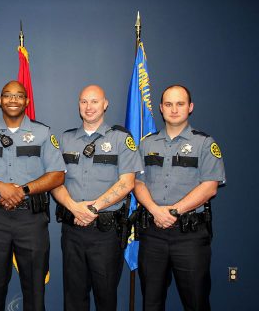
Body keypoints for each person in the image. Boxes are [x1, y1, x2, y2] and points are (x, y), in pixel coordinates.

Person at [0, 80, 65, 311]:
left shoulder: (42, 132)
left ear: (27, 101)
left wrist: (22, 190)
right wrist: (1, 186)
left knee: (34, 287)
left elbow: (57, 175)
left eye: (19, 96)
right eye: (8, 96)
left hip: (31, 219)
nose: (13, 100)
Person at [134, 85, 226, 311]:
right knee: (151, 302)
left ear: (190, 107)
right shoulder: (147, 143)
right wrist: (156, 211)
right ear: (161, 109)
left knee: (196, 301)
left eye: (180, 104)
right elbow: (137, 182)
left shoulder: (205, 143)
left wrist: (173, 211)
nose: (174, 109)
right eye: (168, 104)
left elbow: (210, 187)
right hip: (153, 233)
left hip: (190, 235)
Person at [51, 85, 143, 311]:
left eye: (94, 101)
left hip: (106, 233)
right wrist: (74, 207)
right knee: (73, 297)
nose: (89, 106)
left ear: (105, 104)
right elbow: (54, 182)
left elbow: (127, 183)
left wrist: (91, 209)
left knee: (106, 297)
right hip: (72, 230)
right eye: (84, 101)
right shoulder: (65, 139)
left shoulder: (121, 139)